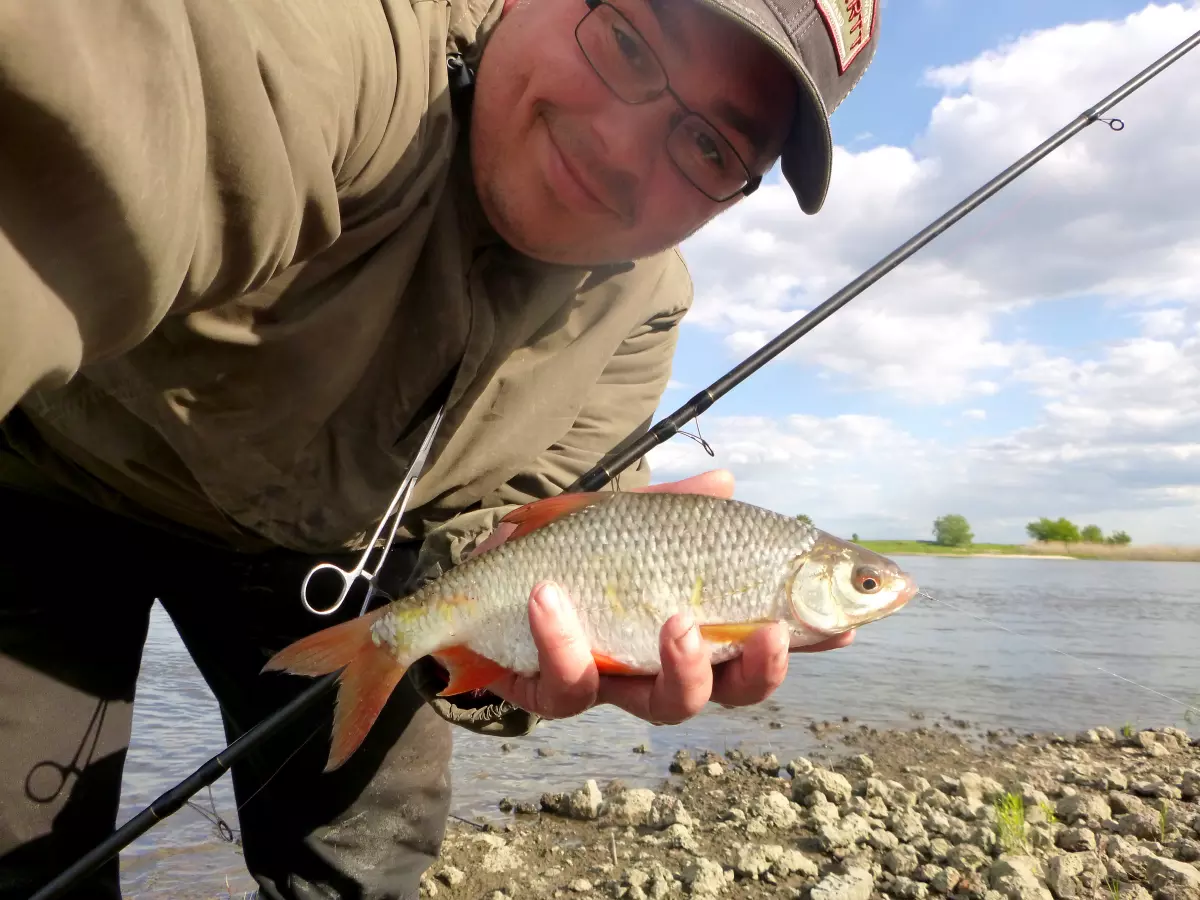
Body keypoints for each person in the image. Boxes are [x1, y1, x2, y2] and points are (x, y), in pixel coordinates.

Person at [0, 0, 880, 896]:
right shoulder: (347, 44)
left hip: (338, 558)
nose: (622, 148)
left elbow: (512, 519)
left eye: (709, 148)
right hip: (58, 478)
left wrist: (514, 644)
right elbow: (105, 107)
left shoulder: (647, 308)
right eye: (626, 41)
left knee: (368, 858)